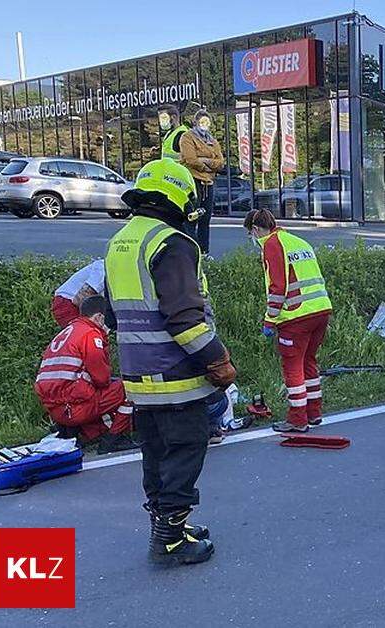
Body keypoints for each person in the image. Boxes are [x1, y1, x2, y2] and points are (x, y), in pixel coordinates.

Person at [105, 158, 236, 566]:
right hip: (177, 375)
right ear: (179, 197)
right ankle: (170, 540)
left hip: (137, 376)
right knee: (186, 451)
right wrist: (218, 360)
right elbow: (184, 319)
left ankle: (168, 525)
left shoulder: (122, 241)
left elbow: (113, 315)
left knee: (157, 453)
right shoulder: (173, 244)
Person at [244, 208, 333, 433]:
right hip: (321, 309)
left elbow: (278, 287)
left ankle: (297, 419)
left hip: (296, 315)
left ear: (255, 230)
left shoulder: (272, 245)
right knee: (309, 362)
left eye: (250, 235)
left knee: (293, 367)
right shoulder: (297, 241)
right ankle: (314, 413)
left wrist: (269, 320)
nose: (253, 240)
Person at [34, 295, 137, 454]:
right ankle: (113, 439)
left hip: (56, 408)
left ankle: (87, 433)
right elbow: (102, 379)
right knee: (128, 389)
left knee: (104, 387)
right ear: (99, 317)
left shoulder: (68, 332)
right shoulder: (91, 334)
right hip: (73, 408)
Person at [180, 109, 225, 257]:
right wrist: (207, 166)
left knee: (205, 219)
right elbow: (190, 159)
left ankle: (204, 253)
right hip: (193, 181)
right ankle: (191, 253)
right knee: (192, 218)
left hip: (208, 183)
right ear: (196, 122)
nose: (204, 125)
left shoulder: (212, 141)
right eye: (202, 122)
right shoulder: (187, 137)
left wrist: (205, 161)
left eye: (207, 122)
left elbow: (221, 163)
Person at [50, 259, 107, 328]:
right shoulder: (104, 269)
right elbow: (79, 300)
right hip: (68, 303)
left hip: (72, 304)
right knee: (86, 333)